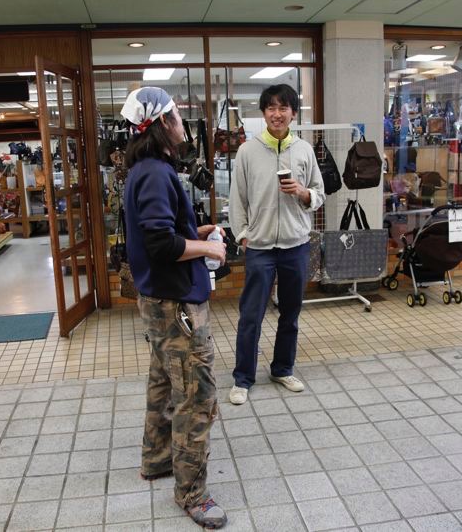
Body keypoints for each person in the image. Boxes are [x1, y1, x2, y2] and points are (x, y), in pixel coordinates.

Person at [121, 87, 228, 529]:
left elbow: (161, 230)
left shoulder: (147, 170)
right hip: (176, 302)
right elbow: (161, 244)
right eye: (178, 115)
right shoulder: (155, 173)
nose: (184, 123)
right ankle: (192, 494)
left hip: (159, 299)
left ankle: (157, 458)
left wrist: (197, 230)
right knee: (196, 396)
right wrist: (209, 248)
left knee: (163, 382)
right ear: (163, 123)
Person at [228, 83, 325, 405]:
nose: (277, 114)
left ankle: (282, 369)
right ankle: (243, 378)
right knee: (251, 315)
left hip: (296, 245)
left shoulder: (304, 150)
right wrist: (243, 235)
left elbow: (320, 194)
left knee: (290, 313)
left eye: (283, 108)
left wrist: (303, 193)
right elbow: (237, 200)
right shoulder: (248, 151)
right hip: (260, 246)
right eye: (271, 107)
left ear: (293, 113)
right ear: (263, 113)